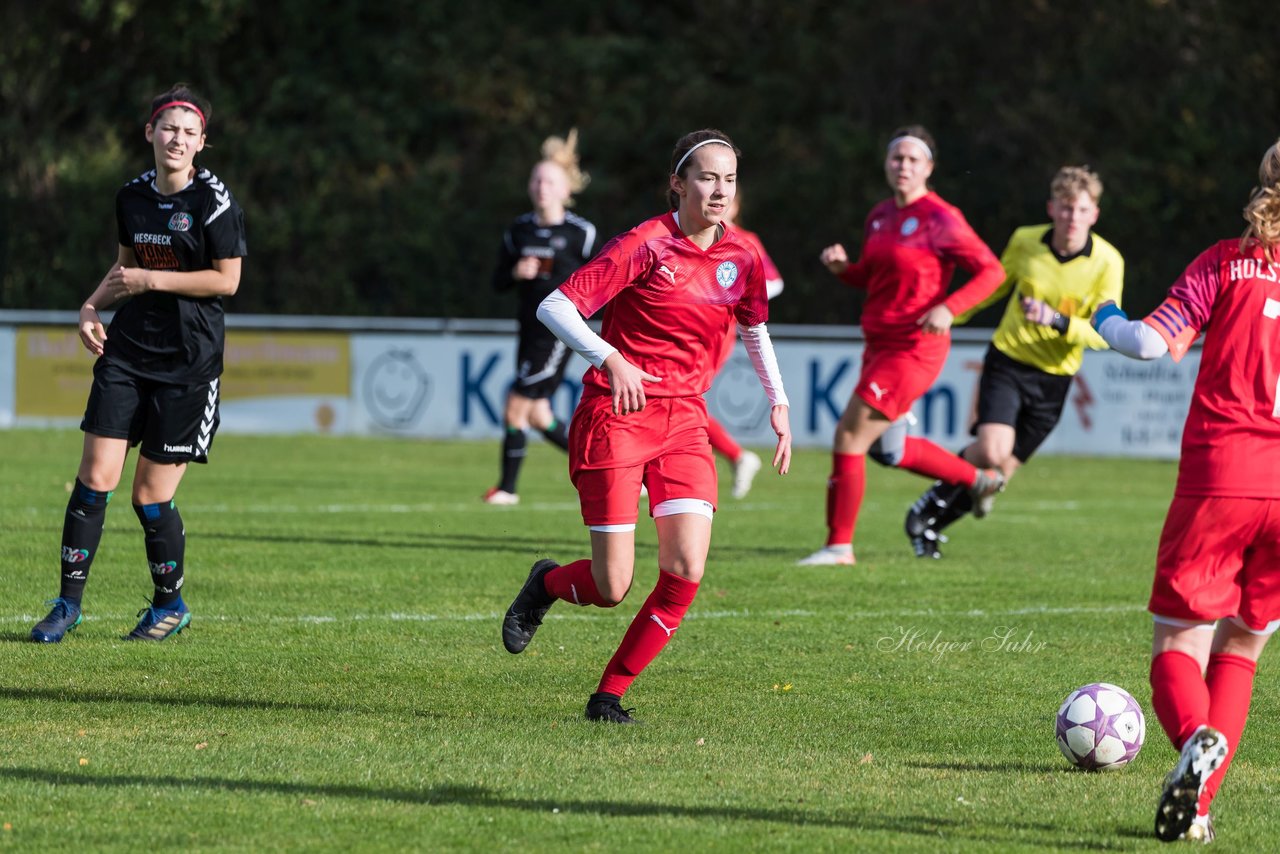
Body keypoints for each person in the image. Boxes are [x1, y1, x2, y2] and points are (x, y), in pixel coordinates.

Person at [500, 129, 792, 724]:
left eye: (730, 179)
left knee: (686, 568)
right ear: (678, 184)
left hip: (685, 419)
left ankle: (608, 696)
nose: (720, 190)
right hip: (617, 412)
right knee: (612, 587)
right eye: (708, 177)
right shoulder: (644, 244)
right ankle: (546, 585)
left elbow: (755, 326)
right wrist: (610, 357)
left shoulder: (742, 256)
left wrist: (778, 403)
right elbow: (555, 306)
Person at [1092, 137, 1280, 843]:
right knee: (1244, 648)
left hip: (1223, 477)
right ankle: (1197, 813)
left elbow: (1147, 343)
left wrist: (1103, 315)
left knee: (1180, 641)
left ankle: (1195, 740)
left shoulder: (1225, 262)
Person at [30, 83, 246, 643]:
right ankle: (67, 605)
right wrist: (90, 306)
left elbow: (227, 280)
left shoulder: (215, 202)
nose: (177, 139)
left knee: (149, 496)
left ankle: (169, 607)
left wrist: (155, 279)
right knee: (94, 478)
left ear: (203, 143)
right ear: (149, 132)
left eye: (189, 132)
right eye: (168, 128)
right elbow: (124, 268)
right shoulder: (131, 198)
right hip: (127, 354)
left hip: (189, 364)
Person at [797, 125, 1006, 566]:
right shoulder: (879, 216)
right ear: (887, 165)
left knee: (849, 434)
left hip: (914, 348)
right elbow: (873, 277)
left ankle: (839, 547)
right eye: (897, 158)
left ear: (929, 168)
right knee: (886, 450)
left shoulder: (942, 218)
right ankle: (980, 480)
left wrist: (951, 307)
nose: (903, 166)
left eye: (913, 159)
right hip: (879, 344)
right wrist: (843, 270)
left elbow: (992, 272)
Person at [904, 166, 1125, 558]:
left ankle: (930, 525)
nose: (1072, 217)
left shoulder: (1108, 262)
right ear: (1052, 209)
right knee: (991, 451)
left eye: (1082, 210)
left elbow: (1104, 333)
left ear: (1095, 214)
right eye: (1066, 207)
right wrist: (952, 313)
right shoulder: (1026, 241)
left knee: (999, 472)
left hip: (1055, 379)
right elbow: (993, 287)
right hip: (1009, 359)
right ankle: (925, 507)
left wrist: (1057, 321)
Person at [483, 130, 597, 505]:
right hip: (527, 332)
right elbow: (497, 280)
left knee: (515, 406)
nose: (540, 186)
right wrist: (517, 272)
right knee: (538, 416)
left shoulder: (581, 234)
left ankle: (507, 490)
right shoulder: (519, 230)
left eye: (549, 180)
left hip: (557, 335)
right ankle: (608, 471)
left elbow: (604, 280)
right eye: (536, 179)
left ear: (567, 189)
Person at [707, 191, 785, 499]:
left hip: (719, 333)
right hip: (688, 329)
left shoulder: (743, 239)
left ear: (736, 206)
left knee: (682, 398)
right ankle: (737, 457)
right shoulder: (694, 235)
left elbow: (775, 282)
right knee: (678, 400)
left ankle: (736, 456)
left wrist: (740, 292)